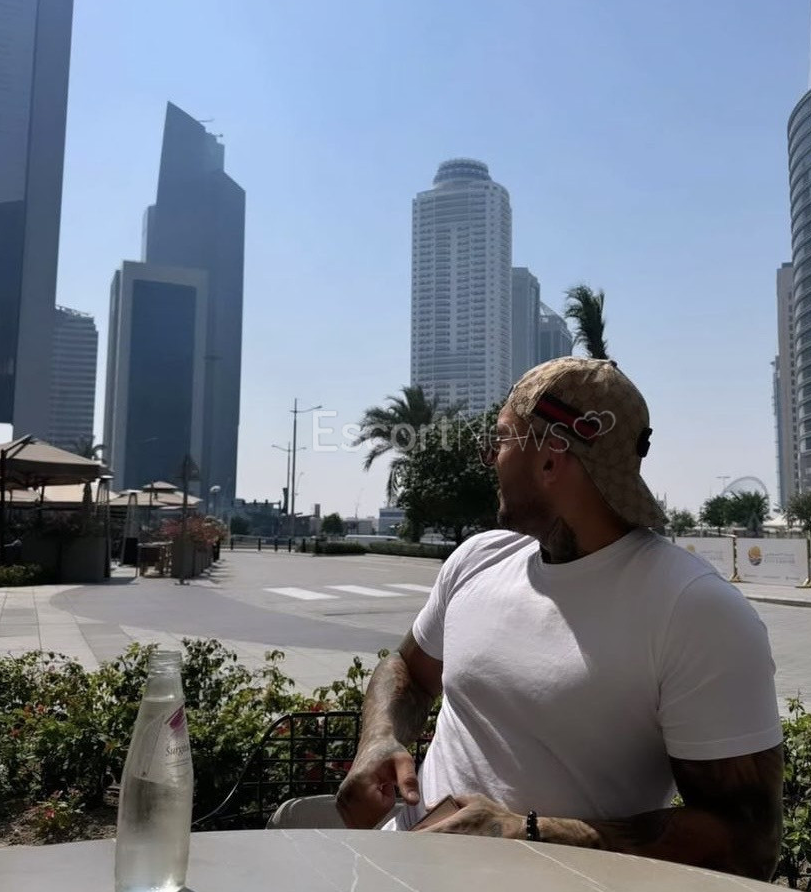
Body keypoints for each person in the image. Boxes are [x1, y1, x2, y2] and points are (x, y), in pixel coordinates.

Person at [335, 357, 783, 880]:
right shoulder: (479, 558)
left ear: (549, 461)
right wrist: (380, 738)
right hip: (398, 870)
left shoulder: (694, 611)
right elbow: (408, 671)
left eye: (501, 440)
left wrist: (527, 835)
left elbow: (750, 842)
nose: (490, 458)